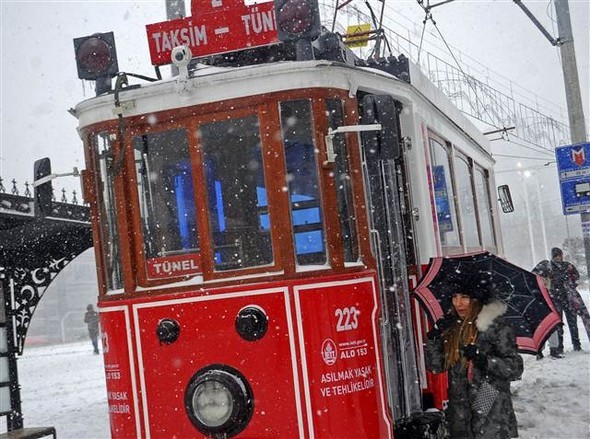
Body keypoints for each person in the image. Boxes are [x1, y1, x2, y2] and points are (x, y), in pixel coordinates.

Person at [425, 274, 523, 438]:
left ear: (477, 299)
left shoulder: (496, 326)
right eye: (454, 297)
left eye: (465, 297)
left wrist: (484, 361)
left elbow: (515, 367)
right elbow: (437, 366)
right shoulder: (452, 327)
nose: (458, 303)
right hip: (460, 410)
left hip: (489, 400)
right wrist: (434, 337)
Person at [533, 247, 581, 356]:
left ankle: (576, 345)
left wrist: (571, 279)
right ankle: (559, 348)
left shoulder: (566, 265)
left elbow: (577, 276)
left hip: (566, 298)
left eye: (560, 255)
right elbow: (535, 274)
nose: (560, 257)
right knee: (558, 325)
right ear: (554, 256)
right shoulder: (547, 266)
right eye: (557, 255)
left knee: (572, 322)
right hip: (555, 299)